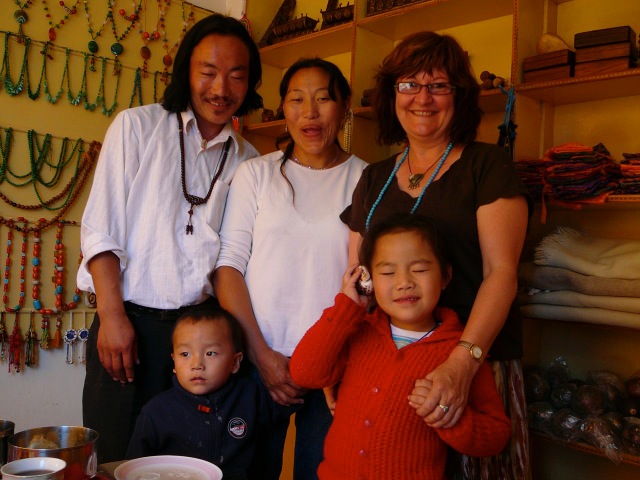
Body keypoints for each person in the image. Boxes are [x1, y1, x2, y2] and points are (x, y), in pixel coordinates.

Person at [339, 31, 533, 479]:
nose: (422, 98)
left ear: (458, 96)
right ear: (391, 95)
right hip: (390, 366)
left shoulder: (488, 166)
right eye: (408, 84)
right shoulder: (375, 177)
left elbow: (501, 273)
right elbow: (359, 282)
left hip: (476, 363)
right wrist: (344, 359)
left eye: (438, 85)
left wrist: (462, 365)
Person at [77, 13, 263, 463]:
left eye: (237, 76)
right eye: (209, 72)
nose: (222, 89)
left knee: (194, 457)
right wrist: (113, 316)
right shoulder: (136, 127)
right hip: (128, 323)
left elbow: (234, 258)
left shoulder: (250, 160)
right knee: (117, 456)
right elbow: (101, 229)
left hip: (201, 337)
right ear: (186, 72)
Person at [213, 58, 367, 480]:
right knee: (246, 472)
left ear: (345, 107)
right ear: (284, 108)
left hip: (335, 369)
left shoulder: (367, 180)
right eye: (297, 99)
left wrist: (331, 359)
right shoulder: (256, 174)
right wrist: (262, 355)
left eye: (323, 99)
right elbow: (228, 267)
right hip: (259, 361)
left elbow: (366, 281)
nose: (310, 113)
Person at [289, 214, 511, 479]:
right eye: (387, 272)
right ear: (368, 280)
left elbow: (497, 435)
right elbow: (304, 372)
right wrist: (346, 307)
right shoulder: (359, 331)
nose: (404, 281)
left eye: (419, 269)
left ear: (445, 276)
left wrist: (449, 417)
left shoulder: (456, 354)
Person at [126, 305, 272, 480]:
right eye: (185, 354)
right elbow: (133, 469)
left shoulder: (251, 397)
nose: (197, 364)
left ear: (235, 362)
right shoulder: (156, 412)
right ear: (174, 362)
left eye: (210, 353)